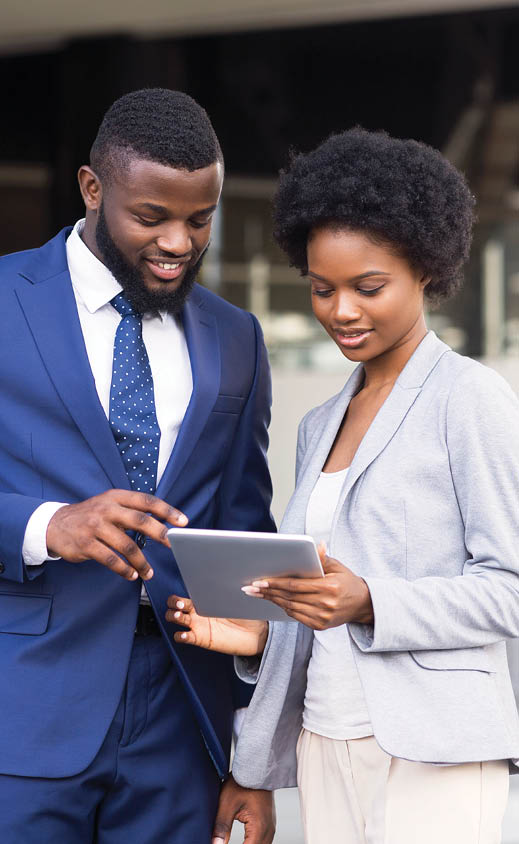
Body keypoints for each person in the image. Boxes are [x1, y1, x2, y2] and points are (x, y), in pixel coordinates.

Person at [167, 128, 519, 844]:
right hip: (323, 740)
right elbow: (319, 605)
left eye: (368, 287)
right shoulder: (320, 422)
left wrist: (368, 601)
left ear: (426, 270)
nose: (341, 312)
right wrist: (258, 637)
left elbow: (508, 586)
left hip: (433, 749)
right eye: (322, 289)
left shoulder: (468, 398)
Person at [0, 88, 276, 844]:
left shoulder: (236, 336)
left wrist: (251, 757)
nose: (179, 242)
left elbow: (243, 532)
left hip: (182, 723)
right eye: (151, 217)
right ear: (92, 189)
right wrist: (49, 525)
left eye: (200, 219)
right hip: (20, 713)